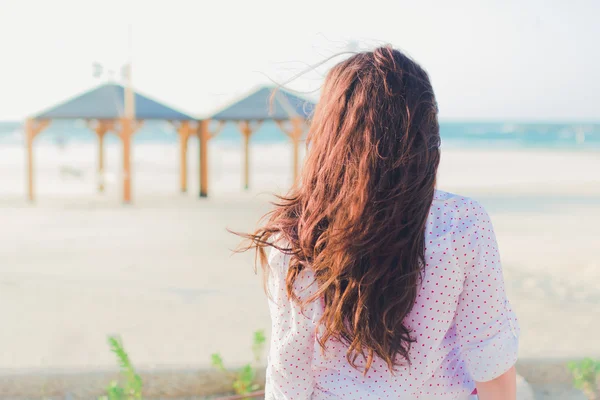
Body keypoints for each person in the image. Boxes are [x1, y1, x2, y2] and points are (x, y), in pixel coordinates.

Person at [236, 46, 519, 400]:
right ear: (425, 136)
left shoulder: (297, 235)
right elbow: (491, 359)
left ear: (329, 135)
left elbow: (289, 373)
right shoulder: (461, 224)